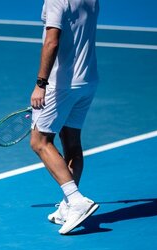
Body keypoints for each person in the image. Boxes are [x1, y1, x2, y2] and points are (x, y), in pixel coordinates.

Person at [30, 0, 100, 235]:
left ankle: (77, 200)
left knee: (39, 142)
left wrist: (41, 84)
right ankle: (68, 206)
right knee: (71, 141)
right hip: (88, 80)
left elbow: (52, 41)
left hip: (62, 84)